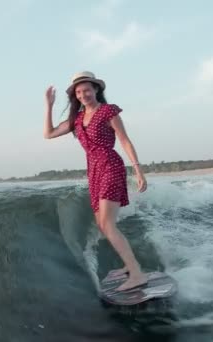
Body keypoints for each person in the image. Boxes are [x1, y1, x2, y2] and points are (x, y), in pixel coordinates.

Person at [43, 71, 148, 291]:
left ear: (96, 89)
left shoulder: (108, 111)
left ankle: (137, 273)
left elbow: (125, 141)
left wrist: (138, 170)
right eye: (78, 92)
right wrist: (49, 105)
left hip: (110, 165)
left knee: (107, 224)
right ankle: (130, 266)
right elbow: (49, 134)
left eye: (87, 90)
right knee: (102, 224)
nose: (83, 95)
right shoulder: (77, 119)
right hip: (94, 172)